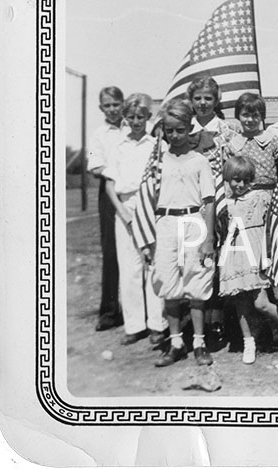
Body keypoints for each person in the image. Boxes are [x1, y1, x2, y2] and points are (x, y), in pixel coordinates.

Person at [145, 99, 216, 367]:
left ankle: (199, 342)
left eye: (180, 130)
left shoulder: (200, 160)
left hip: (192, 221)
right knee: (168, 283)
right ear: (163, 129)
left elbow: (209, 201)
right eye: (170, 130)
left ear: (190, 129)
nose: (175, 135)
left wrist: (208, 238)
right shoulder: (156, 162)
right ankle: (176, 342)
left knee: (196, 282)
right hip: (164, 223)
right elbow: (147, 199)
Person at [102, 93, 167, 346]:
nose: (136, 121)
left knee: (153, 264)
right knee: (129, 268)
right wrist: (122, 211)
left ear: (149, 117)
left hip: (150, 205)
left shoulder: (156, 144)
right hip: (125, 206)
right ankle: (134, 324)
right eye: (131, 117)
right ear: (125, 118)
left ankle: (157, 324)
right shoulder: (119, 146)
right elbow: (109, 184)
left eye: (141, 116)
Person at [227, 93, 278, 347]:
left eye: (255, 115)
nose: (250, 120)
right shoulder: (233, 144)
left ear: (263, 116)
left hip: (270, 205)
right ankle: (258, 331)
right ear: (238, 116)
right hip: (242, 206)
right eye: (245, 115)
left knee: (271, 272)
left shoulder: (274, 142)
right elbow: (228, 177)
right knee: (250, 276)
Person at [186, 74, 241, 349]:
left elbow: (236, 165)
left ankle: (219, 317)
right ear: (191, 101)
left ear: (217, 100)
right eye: (198, 98)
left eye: (209, 98)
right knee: (197, 259)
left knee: (220, 259)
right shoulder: (186, 130)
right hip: (192, 201)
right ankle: (199, 319)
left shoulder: (228, 129)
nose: (203, 103)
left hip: (221, 201)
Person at [218, 156, 271, 365]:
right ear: (228, 179)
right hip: (235, 252)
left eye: (245, 180)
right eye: (235, 180)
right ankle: (249, 342)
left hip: (256, 250)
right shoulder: (226, 203)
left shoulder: (260, 197)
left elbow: (270, 225)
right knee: (241, 302)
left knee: (261, 303)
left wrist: (266, 254)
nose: (240, 185)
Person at [88, 86, 125, 332]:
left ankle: (145, 313)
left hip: (136, 192)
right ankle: (110, 311)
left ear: (122, 104)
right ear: (101, 108)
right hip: (110, 193)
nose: (112, 109)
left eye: (115, 104)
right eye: (107, 105)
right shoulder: (99, 134)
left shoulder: (134, 124)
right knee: (111, 252)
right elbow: (94, 166)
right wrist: (117, 172)